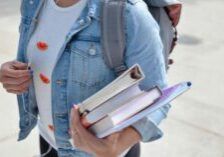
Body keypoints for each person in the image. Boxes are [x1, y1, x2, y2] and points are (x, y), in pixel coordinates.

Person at [0, 0, 181, 156]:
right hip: (49, 143)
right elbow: (45, 56)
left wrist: (115, 148)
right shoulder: (33, 4)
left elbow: (158, 97)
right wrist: (12, 72)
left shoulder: (128, 13)